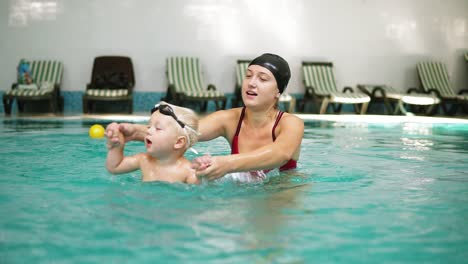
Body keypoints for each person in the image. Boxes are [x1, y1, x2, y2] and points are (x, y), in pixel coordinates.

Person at [106, 53, 304, 182]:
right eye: (248, 75)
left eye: (262, 79)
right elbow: (183, 132)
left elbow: (279, 154)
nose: (251, 83)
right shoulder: (229, 119)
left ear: (278, 91)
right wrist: (135, 131)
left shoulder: (291, 124)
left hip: (281, 192)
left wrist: (226, 164)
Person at [106, 102, 200, 184]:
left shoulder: (188, 172)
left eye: (158, 128)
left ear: (179, 142)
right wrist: (116, 147)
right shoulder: (143, 160)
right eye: (149, 126)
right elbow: (114, 168)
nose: (148, 131)